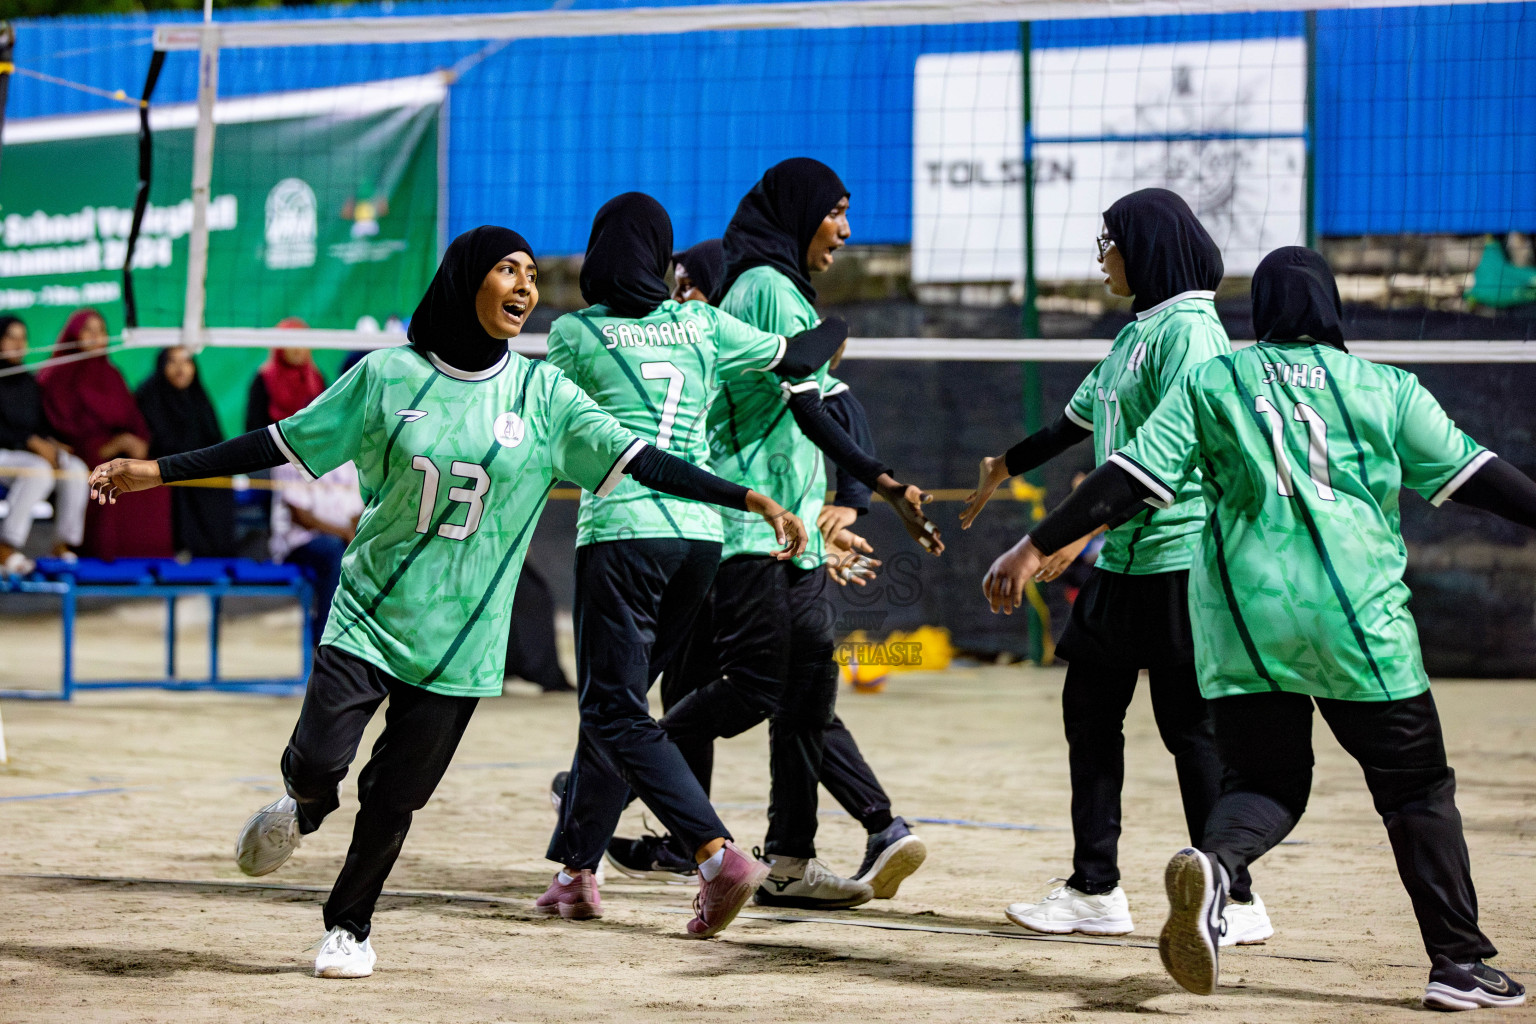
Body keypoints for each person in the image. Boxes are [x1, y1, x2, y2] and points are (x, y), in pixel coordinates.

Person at [87, 225, 810, 977]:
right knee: (316, 764)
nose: (526, 287)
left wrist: (746, 495)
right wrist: (155, 471)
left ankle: (349, 928)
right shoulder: (388, 377)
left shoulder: (545, 394)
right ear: (468, 279)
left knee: (394, 798)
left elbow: (645, 459)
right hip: (369, 613)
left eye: (533, 273)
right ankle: (303, 806)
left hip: (462, 640)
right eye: (507, 270)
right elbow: (275, 442)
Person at [983, 246, 1531, 1011]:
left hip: (1243, 624)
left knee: (1266, 782)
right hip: (1356, 624)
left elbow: (1128, 478)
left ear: (1260, 313)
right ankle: (1459, 964)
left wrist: (1035, 542)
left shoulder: (1217, 380)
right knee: (1416, 791)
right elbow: (1480, 476)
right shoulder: (1387, 388)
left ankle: (1215, 864)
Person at [961, 188, 1272, 944]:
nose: (1101, 257)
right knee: (1089, 713)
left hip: (1180, 556)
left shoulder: (1192, 332)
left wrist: (1044, 540)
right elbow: (1075, 421)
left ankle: (1233, 897)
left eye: (1109, 242)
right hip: (1128, 559)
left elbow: (1158, 461)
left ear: (1146, 246)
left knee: (1188, 728)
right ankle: (1094, 888)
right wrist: (1002, 464)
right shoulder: (1139, 332)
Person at [540, 191, 857, 927]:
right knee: (612, 708)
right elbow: (805, 355)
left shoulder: (575, 334)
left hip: (623, 531)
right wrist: (833, 321)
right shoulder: (700, 321)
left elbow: (555, 434)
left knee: (616, 710)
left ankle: (715, 855)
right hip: (701, 540)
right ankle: (577, 871)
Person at [657, 158, 942, 910]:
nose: (847, 231)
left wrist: (849, 500)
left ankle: (789, 859)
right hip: (749, 530)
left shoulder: (779, 291)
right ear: (799, 213)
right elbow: (812, 404)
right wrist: (877, 484)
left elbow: (828, 399)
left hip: (792, 536)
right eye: (836, 212)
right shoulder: (762, 289)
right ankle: (625, 762)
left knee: (811, 684)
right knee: (755, 685)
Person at [40, 309, 172, 559]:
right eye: (88, 330)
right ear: (73, 335)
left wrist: (137, 442)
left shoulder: (112, 374)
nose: (95, 336)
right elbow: (61, 429)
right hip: (83, 455)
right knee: (109, 482)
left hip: (118, 454)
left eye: (100, 330)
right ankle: (94, 554)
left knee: (153, 482)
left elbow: (134, 421)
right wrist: (106, 447)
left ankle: (145, 561)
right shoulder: (55, 376)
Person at [0, 315, 87, 575]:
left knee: (75, 468)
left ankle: (62, 544)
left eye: (22, 337)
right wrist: (29, 441)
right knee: (38, 468)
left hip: (26, 454)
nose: (18, 343)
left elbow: (38, 425)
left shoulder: (28, 383)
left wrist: (52, 444)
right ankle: (6, 546)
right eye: (10, 337)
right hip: (7, 454)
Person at [135, 346, 236, 558]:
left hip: (199, 465)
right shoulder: (149, 396)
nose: (181, 369)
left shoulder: (199, 398)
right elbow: (150, 442)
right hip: (165, 467)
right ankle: (182, 548)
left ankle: (215, 553)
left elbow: (214, 439)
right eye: (173, 362)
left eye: (187, 362)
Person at [270, 460, 362, 646]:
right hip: (298, 542)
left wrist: (354, 534)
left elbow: (358, 509)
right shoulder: (291, 455)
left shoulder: (347, 458)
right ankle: (326, 641)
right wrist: (345, 534)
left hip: (343, 540)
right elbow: (300, 517)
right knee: (335, 553)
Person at [245, 320, 325, 433]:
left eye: (302, 342)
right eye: (291, 343)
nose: (297, 349)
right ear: (280, 347)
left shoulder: (317, 379)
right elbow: (254, 428)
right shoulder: (263, 380)